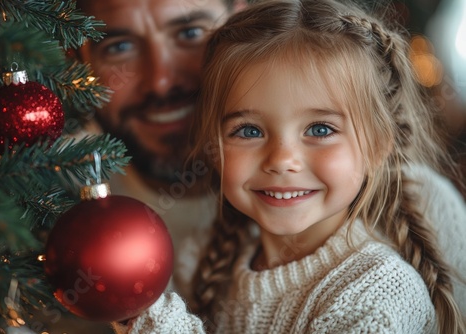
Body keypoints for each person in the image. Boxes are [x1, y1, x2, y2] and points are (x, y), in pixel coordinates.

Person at [111, 0, 466, 333]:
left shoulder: (381, 294)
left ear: (377, 146)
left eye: (320, 129)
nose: (281, 159)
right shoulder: (199, 261)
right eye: (248, 131)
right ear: (213, 148)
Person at [74, 0, 247, 301]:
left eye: (191, 33)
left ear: (244, 21)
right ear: (77, 60)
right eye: (119, 47)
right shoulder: (38, 199)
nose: (161, 81)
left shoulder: (329, 195)